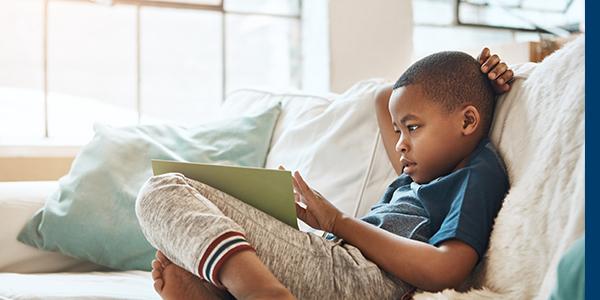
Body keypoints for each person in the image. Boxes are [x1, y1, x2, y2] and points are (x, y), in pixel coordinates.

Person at [135, 47, 515, 300]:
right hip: (333, 259)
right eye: (398, 131)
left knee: (161, 191)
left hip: (355, 273)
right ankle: (223, 285)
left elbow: (446, 270)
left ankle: (261, 292)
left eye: (412, 128)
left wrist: (338, 221)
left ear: (467, 120)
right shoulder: (420, 170)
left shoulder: (474, 172)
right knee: (188, 231)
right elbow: (386, 98)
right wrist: (480, 78)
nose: (399, 144)